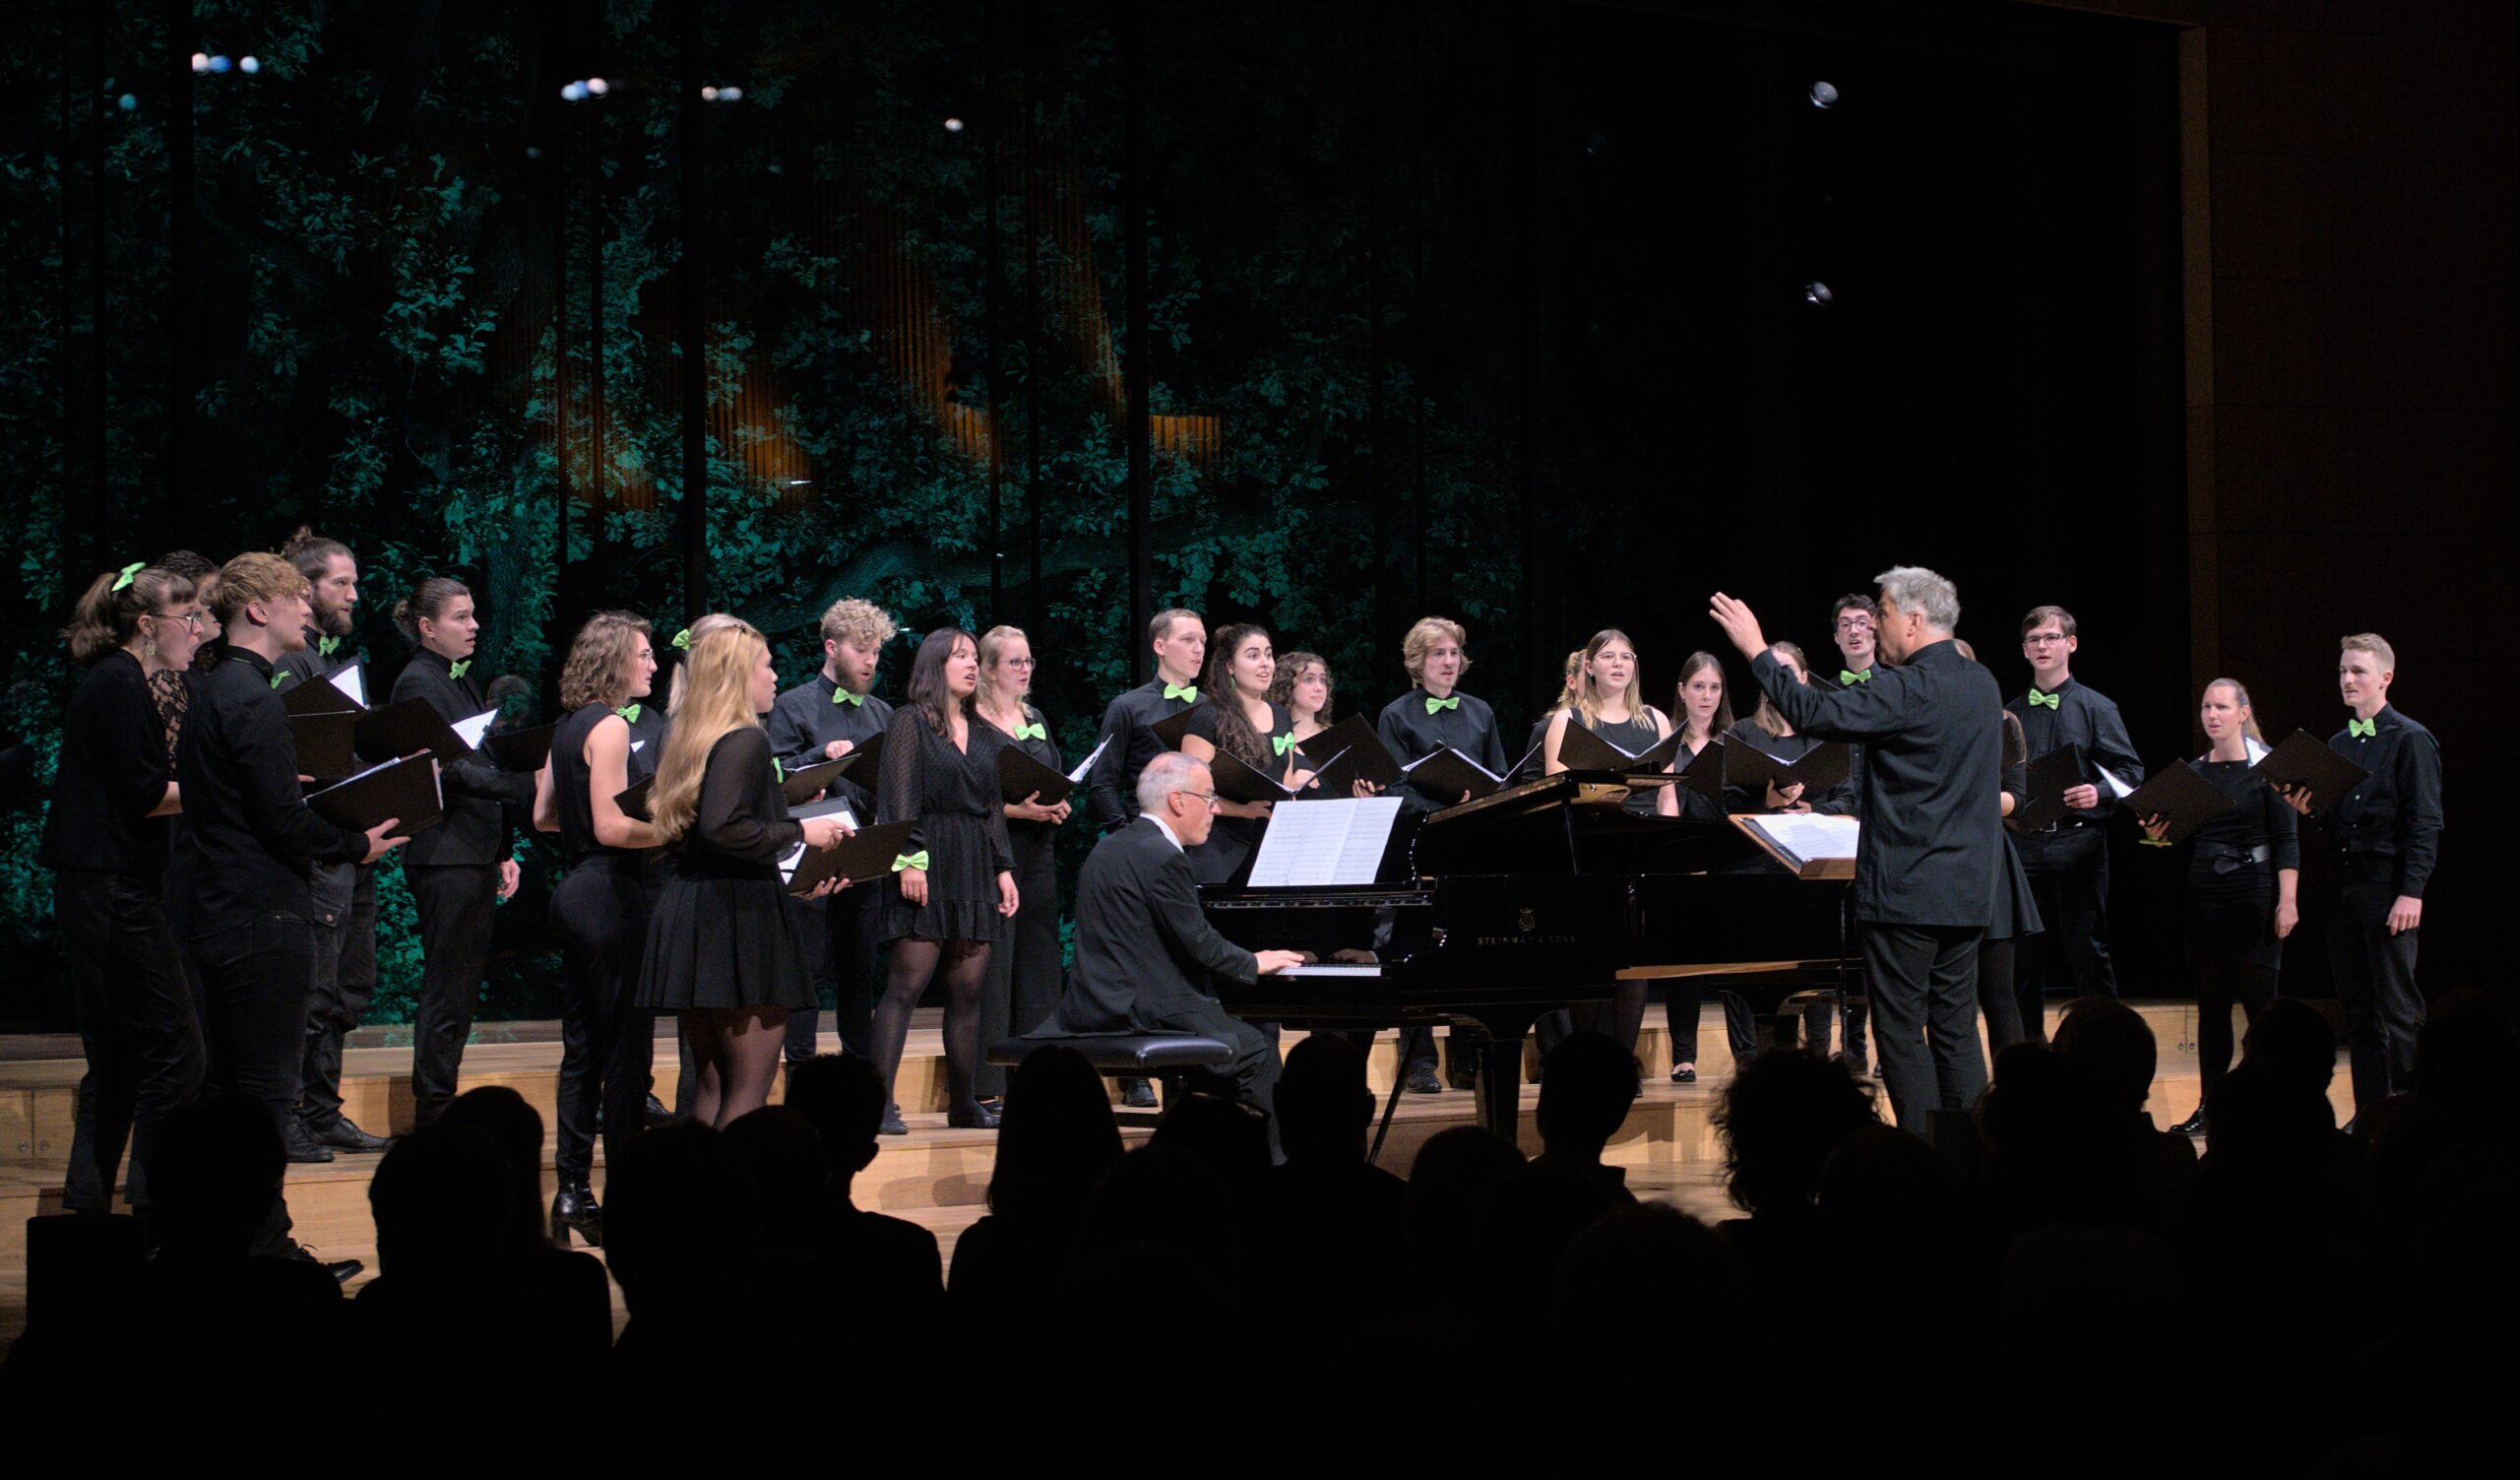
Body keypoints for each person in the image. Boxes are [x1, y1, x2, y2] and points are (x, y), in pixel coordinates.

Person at [169, 551, 405, 1265]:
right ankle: (269, 1250)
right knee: (267, 1091)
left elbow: (241, 795)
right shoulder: (254, 698)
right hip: (260, 915)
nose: (309, 608)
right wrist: (353, 842)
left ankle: (224, 1245)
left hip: (217, 909)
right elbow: (282, 822)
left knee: (229, 1090)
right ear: (259, 611)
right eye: (296, 597)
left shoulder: (216, 690)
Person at [1712, 567, 2001, 1131]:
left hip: (1909, 894)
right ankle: (1973, 1159)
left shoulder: (1908, 688)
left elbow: (1813, 712)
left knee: (1897, 1030)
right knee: (1956, 1027)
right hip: (1969, 890)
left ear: (1915, 621)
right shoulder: (1982, 683)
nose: (1876, 624)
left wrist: (1755, 650)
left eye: (1884, 613)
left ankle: (1923, 1156)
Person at [41, 563, 209, 1218]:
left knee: (118, 1058)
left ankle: (92, 1213)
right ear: (148, 624)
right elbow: (145, 792)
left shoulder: (122, 681)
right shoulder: (117, 683)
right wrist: (227, 788)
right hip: (109, 887)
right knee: (176, 1049)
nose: (196, 630)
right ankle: (153, 1209)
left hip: (104, 885)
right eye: (186, 617)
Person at [636, 620, 850, 1128]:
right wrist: (802, 835)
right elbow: (725, 828)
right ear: (738, 677)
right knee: (748, 1089)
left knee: (711, 1082)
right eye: (766, 665)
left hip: (695, 909)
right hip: (737, 920)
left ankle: (704, 1201)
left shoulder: (686, 736)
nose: (775, 676)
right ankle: (736, 1203)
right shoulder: (744, 740)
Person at [1034, 752, 1305, 1147]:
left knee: (1226, 1037)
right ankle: (1270, 1171)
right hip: (1141, 1008)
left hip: (1095, 1002)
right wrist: (1253, 961)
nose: (1215, 808)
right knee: (1256, 1051)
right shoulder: (1163, 857)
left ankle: (1201, 1155)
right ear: (1179, 801)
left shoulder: (1112, 846)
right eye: (1208, 797)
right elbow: (1201, 944)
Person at [532, 611, 663, 1245]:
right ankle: (628, 1201)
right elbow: (614, 828)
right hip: (612, 894)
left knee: (582, 1052)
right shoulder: (610, 725)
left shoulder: (566, 726)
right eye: (643, 654)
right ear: (616, 661)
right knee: (627, 1058)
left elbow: (544, 817)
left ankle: (570, 1190)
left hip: (574, 892)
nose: (653, 665)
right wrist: (674, 829)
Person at [387, 578, 536, 1126]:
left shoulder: (458, 680)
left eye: (474, 616)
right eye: (461, 617)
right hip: (443, 853)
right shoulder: (417, 683)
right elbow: (449, 769)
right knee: (449, 986)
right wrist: (532, 788)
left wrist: (502, 847)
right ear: (427, 628)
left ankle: (438, 1102)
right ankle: (433, 1110)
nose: (474, 626)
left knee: (461, 984)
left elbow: (482, 758)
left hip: (469, 850)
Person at [2275, 633, 2440, 1118]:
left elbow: (2425, 821)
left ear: (2385, 677)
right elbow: (2335, 819)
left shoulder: (2410, 739)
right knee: (2360, 1014)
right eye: (2343, 671)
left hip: (2387, 885)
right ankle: (2371, 1114)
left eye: (2358, 672)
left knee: (2399, 1009)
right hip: (2346, 888)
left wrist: (2412, 892)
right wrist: (2307, 808)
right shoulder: (2339, 744)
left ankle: (2416, 1114)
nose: (2347, 680)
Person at [266, 529, 392, 1156]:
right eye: (341, 582)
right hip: (322, 848)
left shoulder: (323, 661)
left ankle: (321, 1110)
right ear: (305, 587)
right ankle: (289, 1113)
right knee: (313, 989)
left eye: (354, 582)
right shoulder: (293, 663)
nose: (353, 594)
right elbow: (297, 761)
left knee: (344, 987)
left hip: (350, 842)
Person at [868, 627, 1021, 1133]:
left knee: (968, 990)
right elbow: (898, 796)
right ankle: (878, 1104)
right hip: (928, 855)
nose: (972, 665)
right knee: (906, 984)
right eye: (960, 657)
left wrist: (1003, 867)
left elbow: (993, 807)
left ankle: (963, 1102)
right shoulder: (910, 722)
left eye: (975, 657)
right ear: (936, 665)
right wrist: (910, 859)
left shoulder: (981, 730)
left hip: (974, 862)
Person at [2140, 679, 2300, 1134]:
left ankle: (2274, 1106)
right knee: (2211, 1012)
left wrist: (2287, 902)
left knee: (2262, 1011)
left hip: (2254, 897)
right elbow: (2172, 835)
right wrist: (2156, 832)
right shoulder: (2194, 773)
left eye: (2222, 706)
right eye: (2207, 707)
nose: (2212, 715)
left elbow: (2287, 841)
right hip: (2205, 899)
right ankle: (2211, 1108)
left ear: (2243, 711)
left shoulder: (2270, 768)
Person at [1373, 617, 1511, 1091]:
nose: (1449, 662)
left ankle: (1466, 1058)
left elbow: (1499, 775)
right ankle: (1418, 1061)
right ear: (1417, 661)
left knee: (1469, 948)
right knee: (1416, 947)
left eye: (1454, 653)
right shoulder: (1396, 714)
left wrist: (1484, 801)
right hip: (1420, 843)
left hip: (1472, 846)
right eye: (1438, 654)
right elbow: (1393, 786)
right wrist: (1439, 809)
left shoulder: (1480, 712)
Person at [763, 597, 898, 1064]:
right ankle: (800, 1072)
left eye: (877, 651)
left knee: (859, 972)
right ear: (831, 647)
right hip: (811, 852)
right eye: (862, 650)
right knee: (808, 967)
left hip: (863, 856)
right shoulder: (793, 704)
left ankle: (863, 1083)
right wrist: (817, 759)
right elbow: (773, 777)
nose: (871, 661)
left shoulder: (882, 712)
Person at [1082, 607, 1206, 1108]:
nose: (1199, 649)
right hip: (1147, 851)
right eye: (1188, 640)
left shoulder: (1215, 707)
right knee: (1140, 957)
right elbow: (1103, 780)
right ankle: (1137, 1068)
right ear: (1160, 646)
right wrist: (1127, 835)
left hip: (1201, 850)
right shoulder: (1130, 706)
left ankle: (1195, 1057)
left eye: (1202, 641)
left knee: (1190, 955)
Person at [2007, 606, 2144, 1020]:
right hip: (2024, 844)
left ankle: (2103, 1047)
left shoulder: (2096, 707)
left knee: (2088, 951)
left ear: (2071, 644)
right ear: (2025, 651)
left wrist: (2098, 792)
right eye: (2034, 640)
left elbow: (2131, 773)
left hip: (2078, 842)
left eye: (2051, 638)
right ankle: (2027, 1054)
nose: (2042, 646)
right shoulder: (2010, 713)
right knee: (2022, 958)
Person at [1542, 629, 1670, 1053]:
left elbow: (1668, 794)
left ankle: (1622, 1062)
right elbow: (1554, 793)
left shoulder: (1655, 720)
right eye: (1609, 656)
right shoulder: (1569, 720)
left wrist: (1670, 849)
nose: (1619, 663)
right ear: (1590, 667)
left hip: (1641, 848)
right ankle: (1583, 1059)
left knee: (1634, 963)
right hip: (1590, 848)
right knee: (1589, 958)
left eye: (1627, 657)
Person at [972, 625, 1071, 1104]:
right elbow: (967, 796)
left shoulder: (1035, 716)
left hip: (1039, 850)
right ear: (989, 669)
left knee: (1039, 963)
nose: (1025, 669)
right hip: (995, 850)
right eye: (1014, 661)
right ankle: (987, 1084)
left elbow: (1050, 771)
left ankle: (1035, 1077)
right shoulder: (971, 722)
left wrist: (1056, 804)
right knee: (997, 964)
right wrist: (1017, 811)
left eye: (1028, 660)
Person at [1177, 622, 1304, 884]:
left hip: (1269, 842)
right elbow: (1193, 793)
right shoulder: (1209, 717)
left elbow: (1287, 779)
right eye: (1253, 655)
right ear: (1230, 666)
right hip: (1220, 845)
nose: (1265, 663)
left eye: (1268, 654)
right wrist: (1244, 810)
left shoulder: (1280, 715)